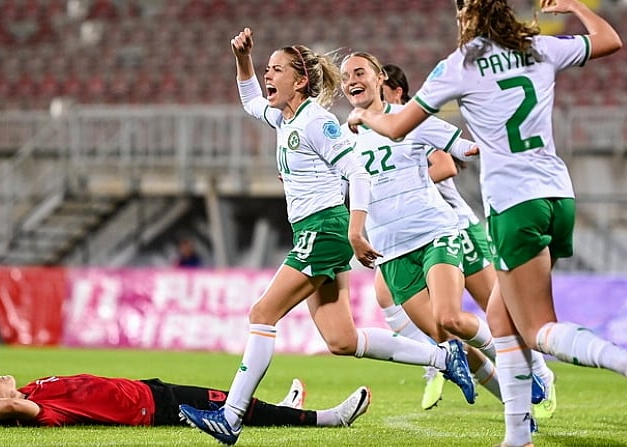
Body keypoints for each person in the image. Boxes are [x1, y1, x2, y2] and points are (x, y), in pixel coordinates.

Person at [347, 1, 627, 445]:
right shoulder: (537, 46)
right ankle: (517, 436)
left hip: (514, 204)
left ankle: (626, 361)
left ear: (467, 16)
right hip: (557, 194)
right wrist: (574, 5)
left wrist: (364, 117)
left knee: (536, 327)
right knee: (501, 317)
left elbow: (398, 127)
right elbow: (611, 41)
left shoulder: (461, 64)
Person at [177, 27, 475, 446]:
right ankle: (443, 357)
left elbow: (357, 170)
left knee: (262, 314)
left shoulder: (317, 121)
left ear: (300, 81)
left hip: (325, 228)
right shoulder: (283, 116)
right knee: (341, 340)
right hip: (313, 229)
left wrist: (355, 229)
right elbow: (249, 100)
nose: (267, 76)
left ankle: (231, 417)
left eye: (275, 70)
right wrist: (242, 58)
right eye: (266, 70)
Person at [379, 63, 557, 419]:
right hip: (410, 235)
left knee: (497, 306)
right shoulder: (372, 129)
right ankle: (439, 359)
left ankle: (539, 370)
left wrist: (404, 184)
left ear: (397, 91)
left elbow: (446, 165)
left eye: (380, 86)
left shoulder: (409, 124)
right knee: (393, 300)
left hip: (456, 227)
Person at [339, 51, 502, 404]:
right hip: (391, 250)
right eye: (345, 76)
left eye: (360, 72)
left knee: (452, 318)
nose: (352, 79)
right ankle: (514, 399)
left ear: (380, 77)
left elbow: (461, 149)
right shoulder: (343, 136)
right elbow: (327, 179)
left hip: (435, 232)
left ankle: (520, 363)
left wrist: (494, 144)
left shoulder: (409, 117)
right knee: (442, 335)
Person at [0, 374, 369, 429]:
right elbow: (5, 407)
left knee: (233, 399)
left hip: (147, 390)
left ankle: (286, 406)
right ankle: (327, 419)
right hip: (152, 409)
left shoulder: (28, 390)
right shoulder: (34, 410)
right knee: (234, 406)